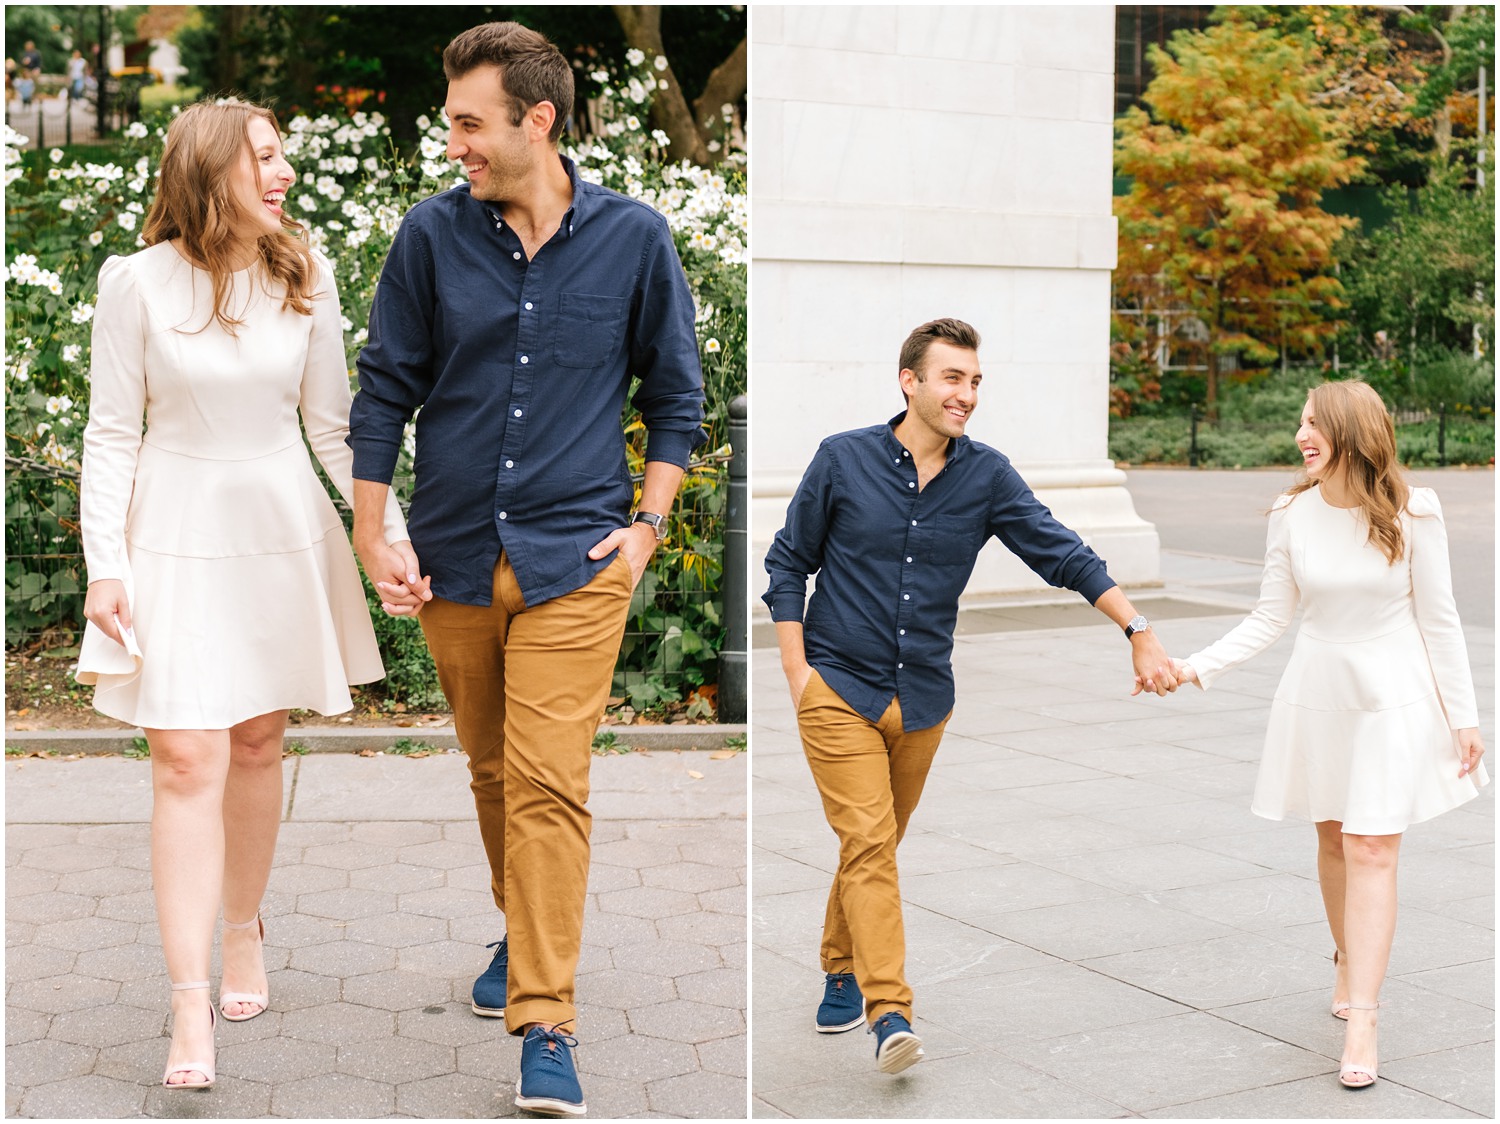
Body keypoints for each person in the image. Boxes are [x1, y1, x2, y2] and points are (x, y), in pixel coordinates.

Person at [348, 21, 705, 1117]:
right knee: (495, 772)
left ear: (535, 121)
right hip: (453, 559)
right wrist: (372, 529)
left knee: (550, 781)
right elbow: (384, 388)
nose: (453, 140)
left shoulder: (634, 240)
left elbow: (677, 396)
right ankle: (524, 927)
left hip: (574, 562)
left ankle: (545, 1018)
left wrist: (646, 529)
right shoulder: (430, 237)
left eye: (469, 121)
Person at [76, 99, 411, 1091]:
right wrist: (106, 561)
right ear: (210, 168)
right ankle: (188, 1004)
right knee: (187, 755)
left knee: (259, 740)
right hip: (168, 530)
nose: (285, 173)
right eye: (265, 156)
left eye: (284, 154)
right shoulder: (134, 282)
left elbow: (334, 428)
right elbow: (111, 432)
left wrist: (383, 534)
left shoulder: (304, 275)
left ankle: (243, 927)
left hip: (276, 532)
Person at [763, 317, 1178, 1074]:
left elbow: (1061, 552)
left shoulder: (986, 475)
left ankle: (837, 964)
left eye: (976, 380)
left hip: (924, 696)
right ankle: (889, 1013)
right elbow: (789, 563)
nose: (967, 394)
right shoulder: (843, 459)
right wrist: (798, 674)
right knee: (866, 840)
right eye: (953, 378)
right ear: (910, 381)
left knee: (876, 844)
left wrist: (1138, 628)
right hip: (838, 686)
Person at [1166, 380, 1487, 1089]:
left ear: (1352, 432)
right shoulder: (1292, 513)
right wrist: (1196, 667)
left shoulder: (1412, 511)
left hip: (1391, 702)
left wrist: (1464, 717)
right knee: (1334, 837)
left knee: (1373, 845)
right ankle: (1345, 955)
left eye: (1315, 424)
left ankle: (1365, 1014)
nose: (1301, 435)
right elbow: (1268, 616)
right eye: (1300, 422)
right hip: (1317, 695)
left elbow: (1439, 620)